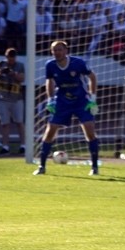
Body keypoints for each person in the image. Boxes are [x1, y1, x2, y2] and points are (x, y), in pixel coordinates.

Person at [34, 40, 99, 176]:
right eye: (54, 50)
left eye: (59, 50)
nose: (57, 52)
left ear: (66, 51)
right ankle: (42, 166)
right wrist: (50, 100)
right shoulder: (50, 65)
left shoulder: (78, 63)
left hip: (81, 101)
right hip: (62, 102)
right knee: (50, 131)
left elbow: (92, 77)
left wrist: (92, 99)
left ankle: (94, 167)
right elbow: (49, 82)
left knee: (89, 131)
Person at [0, 48, 26, 155]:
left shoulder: (19, 65)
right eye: (9, 57)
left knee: (19, 122)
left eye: (13, 57)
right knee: (5, 123)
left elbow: (22, 78)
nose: (11, 60)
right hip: (3, 97)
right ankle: (5, 146)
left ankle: (23, 145)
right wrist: (0, 73)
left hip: (16, 97)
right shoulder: (0, 64)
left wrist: (13, 73)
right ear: (6, 57)